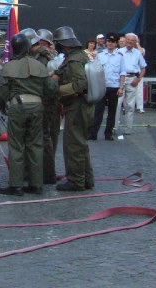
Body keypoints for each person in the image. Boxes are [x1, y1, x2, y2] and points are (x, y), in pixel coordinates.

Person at [0, 33, 57, 195]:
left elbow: (1, 92)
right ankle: (36, 184)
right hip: (37, 106)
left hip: (17, 106)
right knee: (35, 145)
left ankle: (16, 185)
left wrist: (2, 106)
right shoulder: (39, 66)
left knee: (16, 146)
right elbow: (51, 89)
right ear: (28, 48)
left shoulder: (8, 67)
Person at [51, 26, 94, 191]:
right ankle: (86, 179)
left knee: (73, 144)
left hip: (77, 105)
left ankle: (76, 181)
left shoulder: (74, 60)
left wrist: (58, 90)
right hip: (81, 105)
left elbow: (80, 84)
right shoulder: (78, 56)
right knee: (81, 144)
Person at [35, 28, 62, 184]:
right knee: (45, 138)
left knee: (48, 138)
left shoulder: (50, 59)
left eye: (42, 43)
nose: (40, 45)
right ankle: (43, 170)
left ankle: (48, 172)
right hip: (43, 102)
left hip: (49, 102)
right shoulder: (46, 58)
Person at [90, 33, 124, 141]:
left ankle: (108, 133)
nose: (110, 44)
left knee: (112, 111)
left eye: (112, 42)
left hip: (114, 86)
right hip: (102, 86)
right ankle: (93, 133)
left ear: (116, 44)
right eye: (109, 41)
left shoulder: (120, 56)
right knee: (98, 110)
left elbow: (122, 73)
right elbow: (95, 70)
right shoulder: (100, 55)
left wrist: (121, 88)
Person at [119, 33, 147, 135]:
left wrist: (139, 78)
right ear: (125, 41)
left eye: (132, 40)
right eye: (128, 40)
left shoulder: (137, 53)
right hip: (121, 79)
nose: (130, 42)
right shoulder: (119, 52)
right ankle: (114, 127)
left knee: (130, 106)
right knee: (118, 104)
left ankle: (128, 129)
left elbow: (143, 68)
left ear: (135, 42)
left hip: (132, 79)